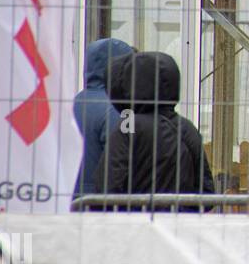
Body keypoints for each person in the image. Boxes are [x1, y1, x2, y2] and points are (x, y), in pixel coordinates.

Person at [94, 52, 215, 196]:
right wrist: (183, 210)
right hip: (178, 217)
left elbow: (108, 186)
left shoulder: (128, 127)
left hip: (134, 217)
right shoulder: (186, 129)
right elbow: (206, 190)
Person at [73, 37, 135, 198]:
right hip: (100, 204)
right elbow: (123, 163)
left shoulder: (71, 103)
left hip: (65, 198)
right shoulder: (118, 109)